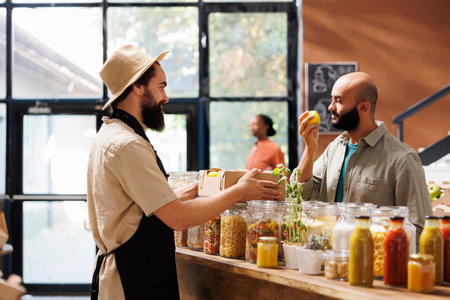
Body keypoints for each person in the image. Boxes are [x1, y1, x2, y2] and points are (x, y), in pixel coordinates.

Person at [87, 44, 283, 300]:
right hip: (133, 279)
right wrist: (238, 192)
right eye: (161, 86)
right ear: (137, 87)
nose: (166, 97)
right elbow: (177, 218)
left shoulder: (111, 135)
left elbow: (140, 207)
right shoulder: (128, 145)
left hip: (133, 272)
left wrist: (198, 188)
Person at [293, 71, 432, 243]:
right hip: (328, 260)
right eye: (332, 99)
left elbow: (419, 228)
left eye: (338, 100)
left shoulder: (403, 159)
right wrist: (309, 149)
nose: (330, 107)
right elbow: (301, 195)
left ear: (364, 107)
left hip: (371, 265)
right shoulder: (334, 148)